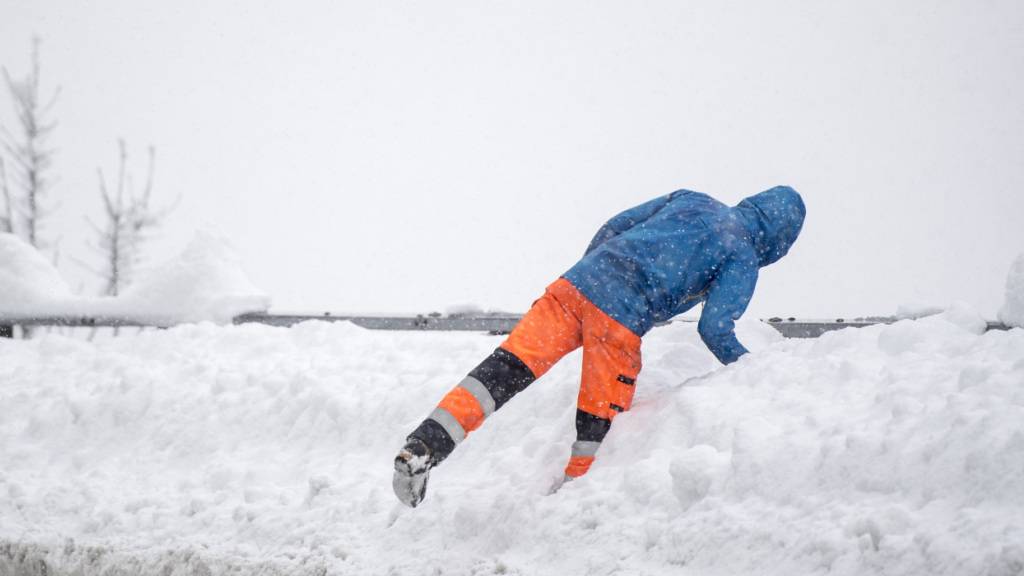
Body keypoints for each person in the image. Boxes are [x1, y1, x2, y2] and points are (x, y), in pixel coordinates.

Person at [393, 186, 806, 507]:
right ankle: (573, 500)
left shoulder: (692, 198)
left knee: (504, 371)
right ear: (780, 241)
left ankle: (425, 444)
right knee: (601, 420)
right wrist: (753, 369)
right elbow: (716, 328)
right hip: (619, 319)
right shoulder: (742, 253)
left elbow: (614, 225)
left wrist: (596, 273)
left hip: (573, 288)